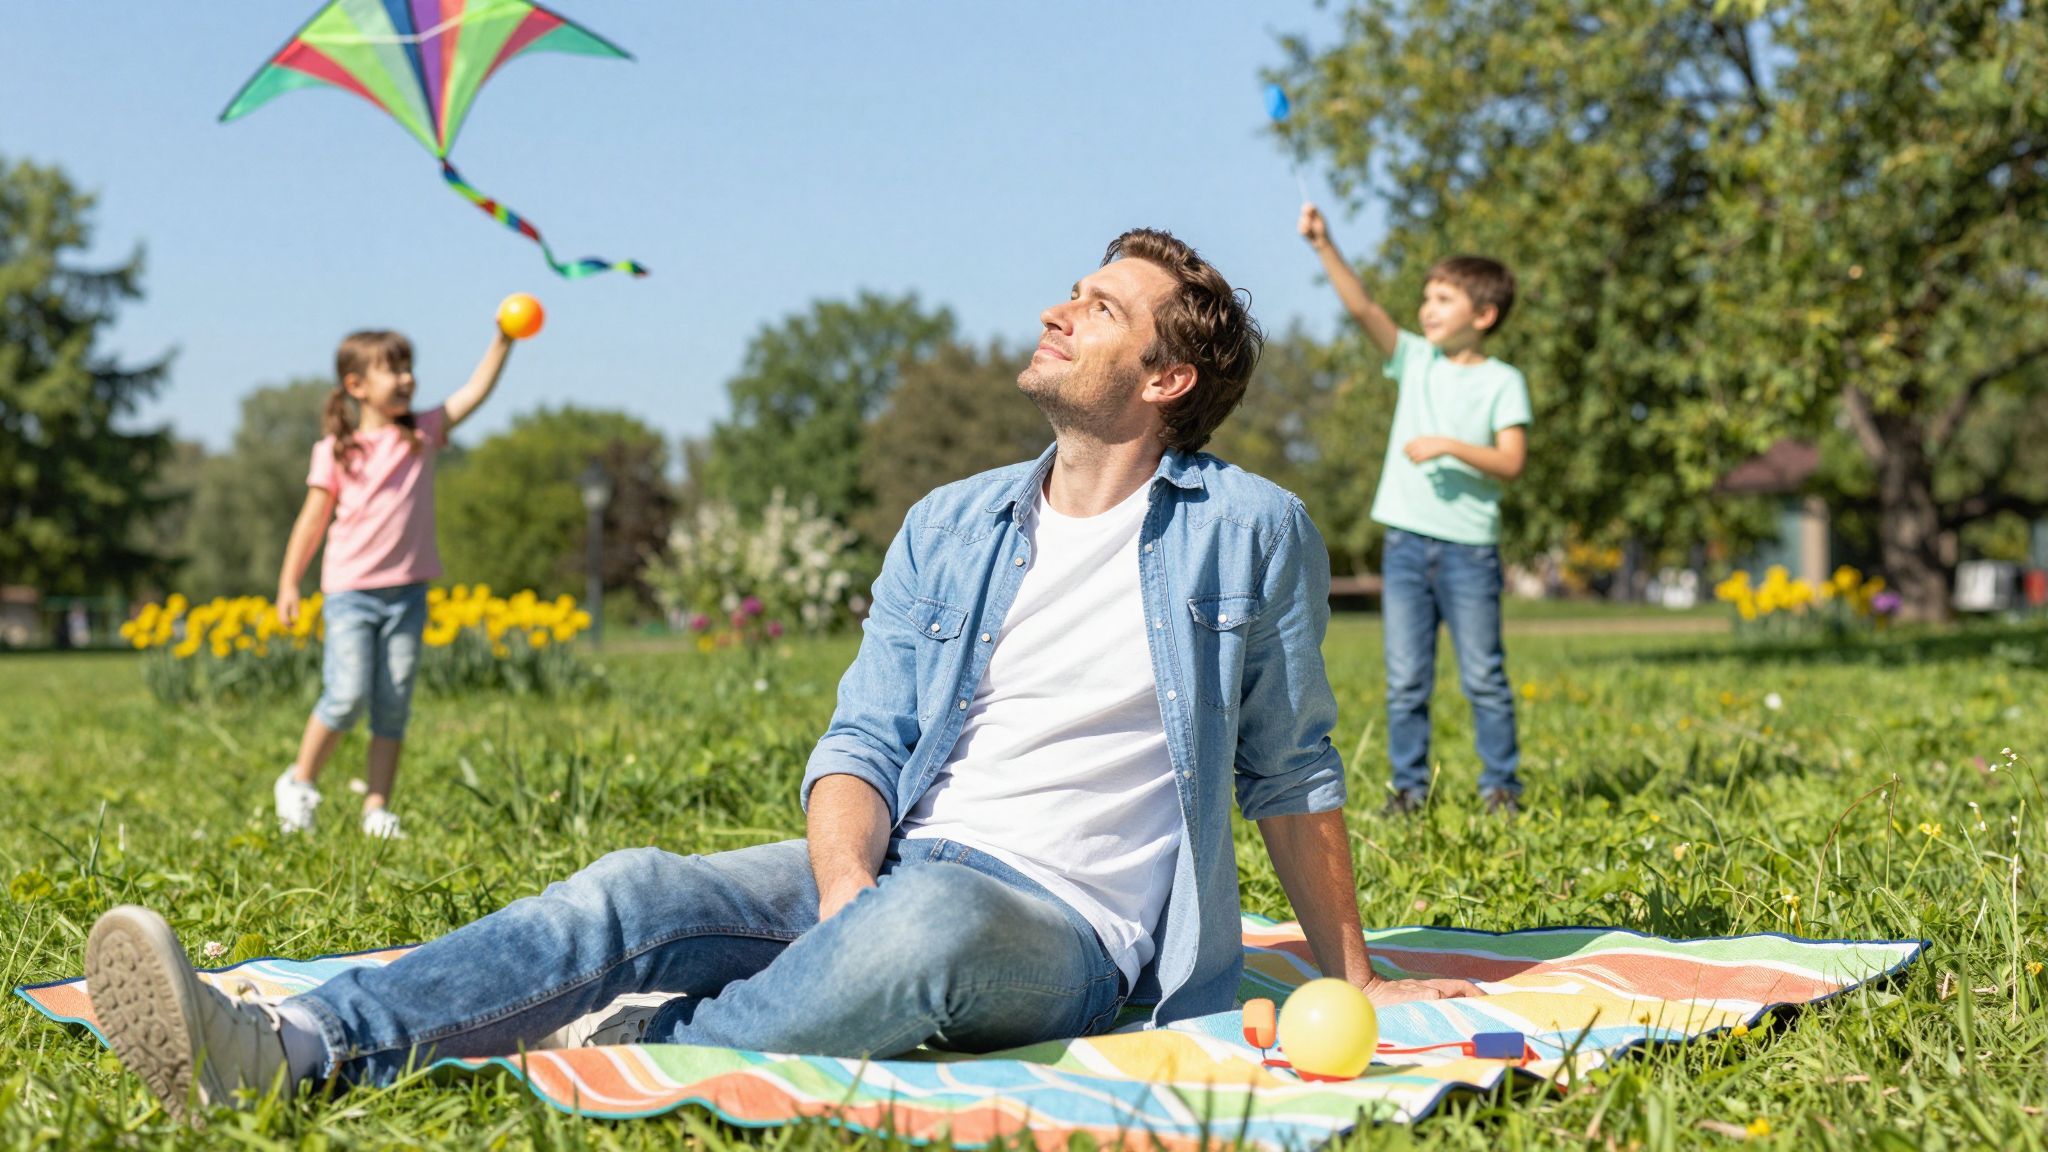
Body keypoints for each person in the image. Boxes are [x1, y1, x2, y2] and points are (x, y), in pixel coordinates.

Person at [84, 229, 1474, 1121]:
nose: (1060, 310)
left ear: (1169, 378)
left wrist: (1352, 977)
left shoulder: (1250, 531)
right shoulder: (952, 522)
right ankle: (292, 1044)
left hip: (1073, 934)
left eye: (1101, 308)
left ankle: (634, 1055)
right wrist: (837, 889)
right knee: (634, 885)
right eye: (1071, 288)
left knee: (917, 941)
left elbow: (1289, 769)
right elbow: (862, 739)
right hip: (915, 855)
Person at [1299, 203, 1531, 817]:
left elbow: (1511, 461)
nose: (1428, 308)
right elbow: (1362, 308)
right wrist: (1325, 245)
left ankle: (1501, 789)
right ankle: (1408, 792)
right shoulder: (1415, 361)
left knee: (1483, 676)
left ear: (1483, 316)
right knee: (1405, 681)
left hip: (1469, 550)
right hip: (1405, 546)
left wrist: (1448, 446)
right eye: (1427, 296)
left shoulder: (1503, 381)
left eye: (1444, 298)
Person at [271, 326, 514, 840]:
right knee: (346, 694)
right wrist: (289, 583)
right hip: (350, 593)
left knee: (393, 702)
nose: (408, 378)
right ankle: (298, 781)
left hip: (407, 593)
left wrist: (501, 341)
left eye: (409, 367)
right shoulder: (337, 449)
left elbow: (474, 392)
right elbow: (311, 520)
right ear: (356, 385)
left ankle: (376, 809)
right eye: (393, 368)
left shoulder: (422, 433)